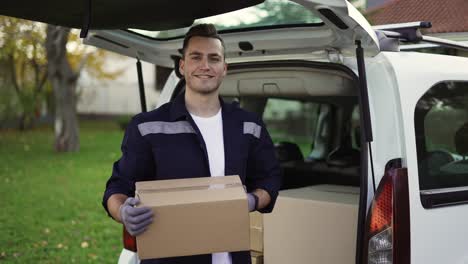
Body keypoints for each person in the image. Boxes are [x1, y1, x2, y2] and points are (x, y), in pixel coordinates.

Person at [102, 23, 281, 264]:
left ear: (224, 68)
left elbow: (270, 180)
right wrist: (123, 212)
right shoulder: (147, 126)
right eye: (196, 57)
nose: (205, 66)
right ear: (182, 66)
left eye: (214, 58)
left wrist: (251, 200)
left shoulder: (249, 126)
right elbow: (117, 188)